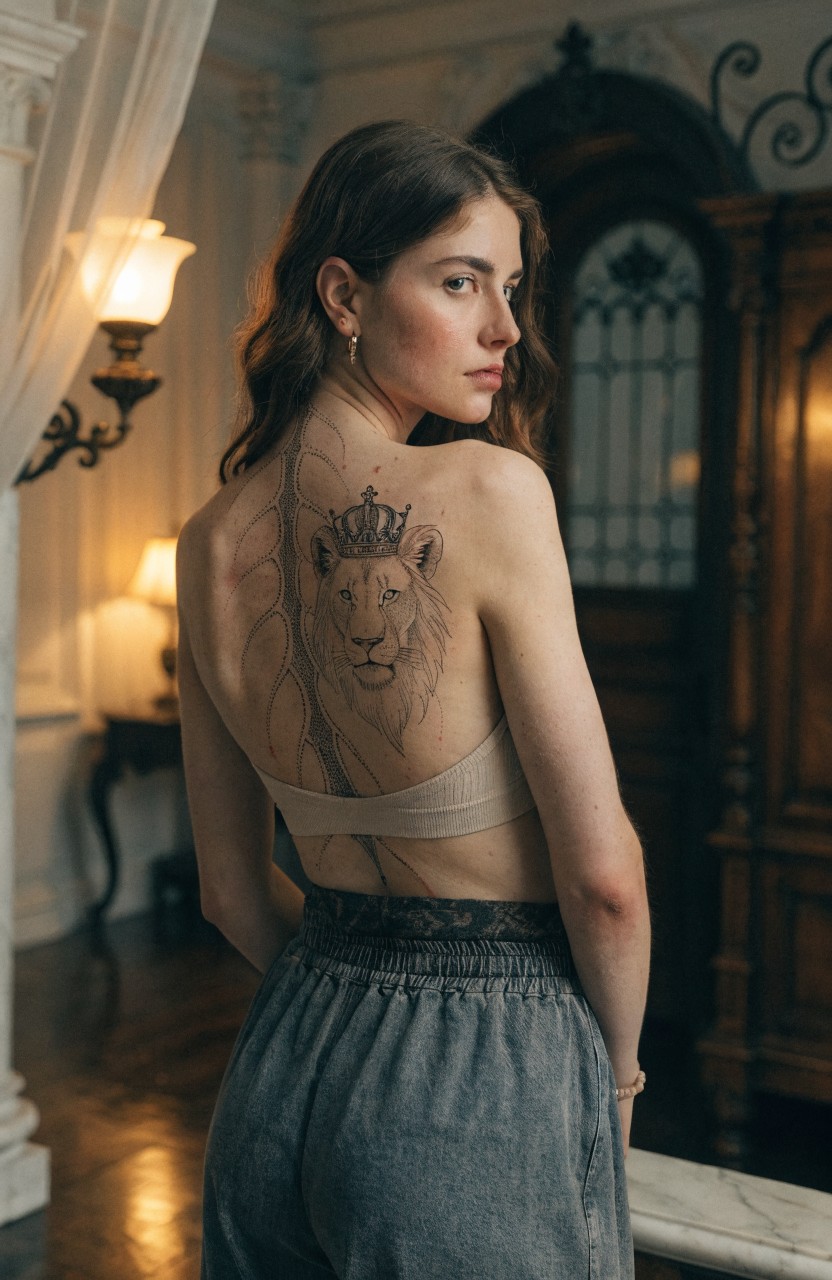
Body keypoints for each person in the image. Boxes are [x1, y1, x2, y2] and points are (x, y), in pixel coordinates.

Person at [177, 119, 650, 1280]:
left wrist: (347, 992)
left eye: (512, 289)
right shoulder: (490, 490)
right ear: (343, 292)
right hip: (482, 1067)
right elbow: (604, 879)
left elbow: (233, 894)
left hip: (280, 1064)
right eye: (458, 282)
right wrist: (616, 1080)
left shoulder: (203, 541)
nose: (504, 330)